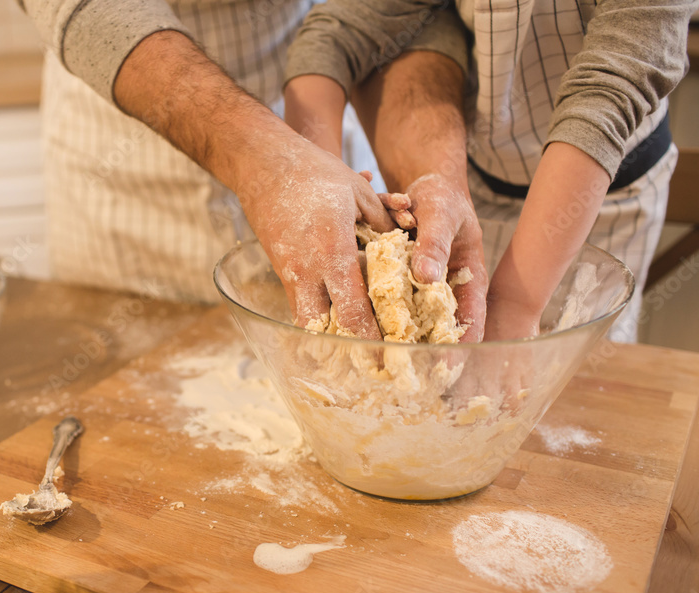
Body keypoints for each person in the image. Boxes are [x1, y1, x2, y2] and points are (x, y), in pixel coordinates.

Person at [15, 0, 481, 340]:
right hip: (127, 138)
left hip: (312, 104)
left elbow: (399, 12)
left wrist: (429, 173)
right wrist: (272, 163)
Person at [284, 0, 693, 342]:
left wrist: (517, 304)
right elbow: (339, 32)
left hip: (602, 193)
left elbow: (611, 87)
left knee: (583, 384)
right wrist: (324, 188)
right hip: (473, 175)